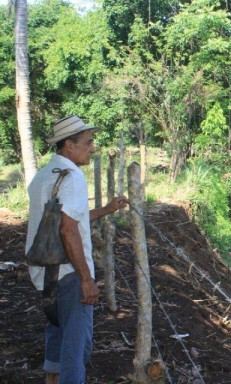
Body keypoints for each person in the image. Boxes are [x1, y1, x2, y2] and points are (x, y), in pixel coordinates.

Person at [25, 115, 128, 384]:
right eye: (88, 142)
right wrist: (86, 280)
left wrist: (106, 209)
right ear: (69, 145)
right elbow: (67, 230)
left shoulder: (43, 176)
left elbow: (64, 219)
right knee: (75, 348)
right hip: (70, 275)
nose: (93, 148)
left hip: (47, 273)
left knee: (58, 335)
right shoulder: (72, 177)